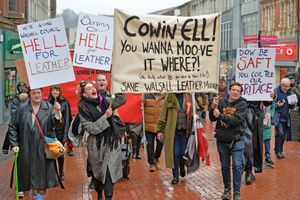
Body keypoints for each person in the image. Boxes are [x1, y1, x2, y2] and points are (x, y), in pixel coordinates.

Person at [9, 88, 63, 200]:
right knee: (30, 180)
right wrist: (14, 144)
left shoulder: (49, 107)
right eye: (34, 93)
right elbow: (13, 126)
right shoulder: (22, 108)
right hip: (26, 149)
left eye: (38, 93)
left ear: (42, 94)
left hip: (42, 150)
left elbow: (58, 127)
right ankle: (35, 196)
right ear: (29, 95)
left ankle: (39, 198)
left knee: (42, 181)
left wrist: (58, 113)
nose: (36, 95)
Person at [78, 80, 126, 200]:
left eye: (92, 87)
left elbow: (122, 100)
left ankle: (108, 197)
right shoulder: (83, 109)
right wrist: (105, 117)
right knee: (99, 175)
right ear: (84, 94)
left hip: (111, 143)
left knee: (109, 173)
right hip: (96, 146)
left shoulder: (105, 101)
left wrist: (118, 83)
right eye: (88, 89)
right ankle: (99, 193)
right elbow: (91, 128)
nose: (93, 89)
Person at [209, 82, 247, 200]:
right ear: (229, 91)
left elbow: (236, 120)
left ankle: (236, 192)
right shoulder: (221, 102)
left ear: (240, 93)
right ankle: (227, 190)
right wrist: (213, 107)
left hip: (237, 139)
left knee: (237, 165)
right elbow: (212, 117)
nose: (235, 92)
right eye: (233, 90)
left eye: (238, 91)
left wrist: (220, 116)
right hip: (222, 140)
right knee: (225, 166)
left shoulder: (242, 104)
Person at [157, 93, 193, 184]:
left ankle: (182, 165)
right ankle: (175, 176)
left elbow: (195, 110)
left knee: (182, 153)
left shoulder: (189, 96)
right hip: (173, 132)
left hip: (186, 131)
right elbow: (163, 114)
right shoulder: (169, 97)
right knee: (174, 154)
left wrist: (195, 116)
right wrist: (160, 130)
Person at [48, 85, 72, 181]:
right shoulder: (47, 103)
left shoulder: (64, 103)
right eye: (53, 90)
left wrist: (66, 135)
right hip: (50, 132)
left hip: (61, 132)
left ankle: (61, 171)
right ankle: (53, 172)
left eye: (57, 90)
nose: (55, 92)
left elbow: (67, 119)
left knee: (60, 153)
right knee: (51, 153)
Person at [2, 82, 29, 155]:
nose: (22, 89)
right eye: (20, 88)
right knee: (10, 131)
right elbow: (13, 111)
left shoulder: (30, 97)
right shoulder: (16, 99)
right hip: (17, 121)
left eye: (24, 87)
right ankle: (5, 147)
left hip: (28, 122)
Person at [272, 78, 296, 159]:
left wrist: (293, 103)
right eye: (284, 86)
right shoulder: (276, 91)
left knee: (283, 136)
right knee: (280, 133)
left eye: (287, 86)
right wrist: (277, 105)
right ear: (281, 85)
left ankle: (279, 150)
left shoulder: (290, 92)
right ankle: (278, 151)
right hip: (278, 117)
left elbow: (292, 107)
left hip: (286, 117)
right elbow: (270, 105)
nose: (286, 88)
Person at [143, 93, 165, 172]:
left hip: (161, 125)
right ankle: (151, 163)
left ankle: (157, 157)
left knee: (161, 142)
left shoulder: (165, 95)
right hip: (149, 125)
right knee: (150, 144)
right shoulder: (146, 95)